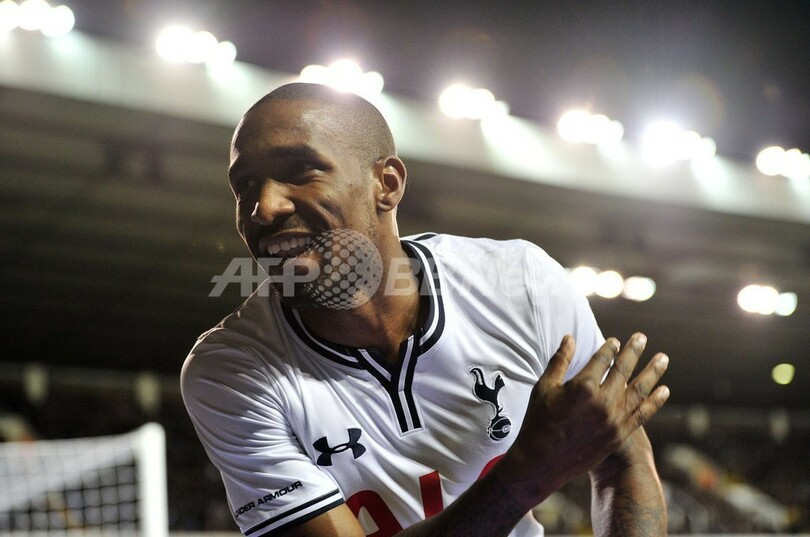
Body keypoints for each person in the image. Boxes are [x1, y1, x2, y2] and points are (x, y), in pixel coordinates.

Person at [181, 82, 671, 537]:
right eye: (245, 184)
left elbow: (625, 463)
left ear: (387, 184)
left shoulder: (522, 284)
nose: (264, 207)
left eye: (300, 171)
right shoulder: (229, 370)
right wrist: (528, 471)